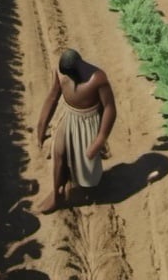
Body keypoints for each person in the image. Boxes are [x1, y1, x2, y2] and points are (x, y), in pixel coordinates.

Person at [36, 48, 116, 213]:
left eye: (71, 75)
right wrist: (41, 126)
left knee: (86, 163)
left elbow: (109, 108)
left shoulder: (97, 78)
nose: (68, 79)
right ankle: (57, 196)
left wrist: (100, 139)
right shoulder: (61, 74)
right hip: (67, 115)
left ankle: (79, 183)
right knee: (58, 152)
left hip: (87, 121)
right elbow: (52, 97)